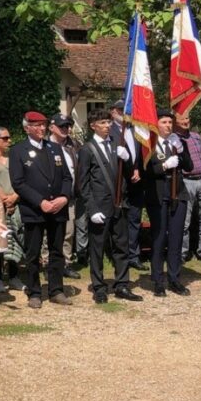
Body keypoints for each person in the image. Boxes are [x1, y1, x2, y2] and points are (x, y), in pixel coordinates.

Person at [9, 111, 74, 309]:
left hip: (57, 208)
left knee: (56, 251)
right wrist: (40, 202)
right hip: (34, 210)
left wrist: (64, 197)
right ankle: (34, 291)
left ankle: (56, 290)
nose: (42, 129)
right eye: (36, 125)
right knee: (33, 252)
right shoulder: (18, 150)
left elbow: (66, 177)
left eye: (44, 125)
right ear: (26, 127)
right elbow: (18, 183)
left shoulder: (54, 148)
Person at [77, 109, 142, 303]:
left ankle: (122, 284)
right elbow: (83, 183)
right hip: (99, 207)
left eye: (108, 122)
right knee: (97, 249)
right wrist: (92, 209)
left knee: (121, 247)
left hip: (119, 204)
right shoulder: (87, 149)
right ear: (93, 126)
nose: (107, 126)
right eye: (103, 123)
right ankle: (99, 287)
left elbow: (130, 174)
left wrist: (127, 157)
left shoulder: (117, 144)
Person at [144, 109, 194, 297]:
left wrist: (181, 150)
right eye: (164, 122)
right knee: (159, 238)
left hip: (178, 194)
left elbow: (189, 166)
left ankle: (174, 278)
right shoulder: (149, 143)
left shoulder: (176, 142)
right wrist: (164, 166)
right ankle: (158, 280)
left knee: (176, 238)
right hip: (157, 195)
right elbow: (147, 170)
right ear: (156, 124)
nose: (168, 125)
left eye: (170, 122)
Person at [174, 112, 201, 263]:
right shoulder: (174, 139)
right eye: (182, 119)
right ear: (175, 122)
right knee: (184, 220)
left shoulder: (196, 136)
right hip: (186, 181)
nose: (186, 121)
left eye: (187, 118)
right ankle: (182, 252)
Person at [111, 99, 150, 272]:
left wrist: (138, 170)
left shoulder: (136, 131)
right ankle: (118, 255)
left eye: (126, 111)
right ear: (113, 112)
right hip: (118, 183)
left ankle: (133, 255)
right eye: (120, 111)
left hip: (136, 181)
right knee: (118, 221)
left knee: (134, 219)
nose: (124, 114)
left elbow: (140, 155)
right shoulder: (109, 131)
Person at [0, 126, 24, 292]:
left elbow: (23, 177)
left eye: (9, 138)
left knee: (16, 238)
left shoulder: (13, 157)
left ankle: (14, 276)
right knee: (0, 241)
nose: (9, 141)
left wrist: (15, 196)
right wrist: (2, 198)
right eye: (5, 138)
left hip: (16, 201)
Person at [49, 113, 83, 277]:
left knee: (69, 231)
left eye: (68, 126)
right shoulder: (45, 144)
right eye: (62, 126)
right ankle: (48, 263)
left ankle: (66, 263)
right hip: (49, 197)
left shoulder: (74, 145)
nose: (66, 129)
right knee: (47, 233)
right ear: (52, 127)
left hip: (68, 196)